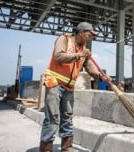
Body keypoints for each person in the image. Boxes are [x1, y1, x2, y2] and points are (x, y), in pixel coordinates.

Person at [39, 22, 111, 152]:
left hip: (69, 88)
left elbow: (90, 68)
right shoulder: (64, 39)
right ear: (81, 32)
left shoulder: (84, 51)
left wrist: (101, 76)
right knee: (53, 117)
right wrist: (78, 55)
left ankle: (67, 147)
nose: (90, 38)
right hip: (55, 83)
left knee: (67, 117)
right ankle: (46, 149)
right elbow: (58, 56)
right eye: (89, 35)